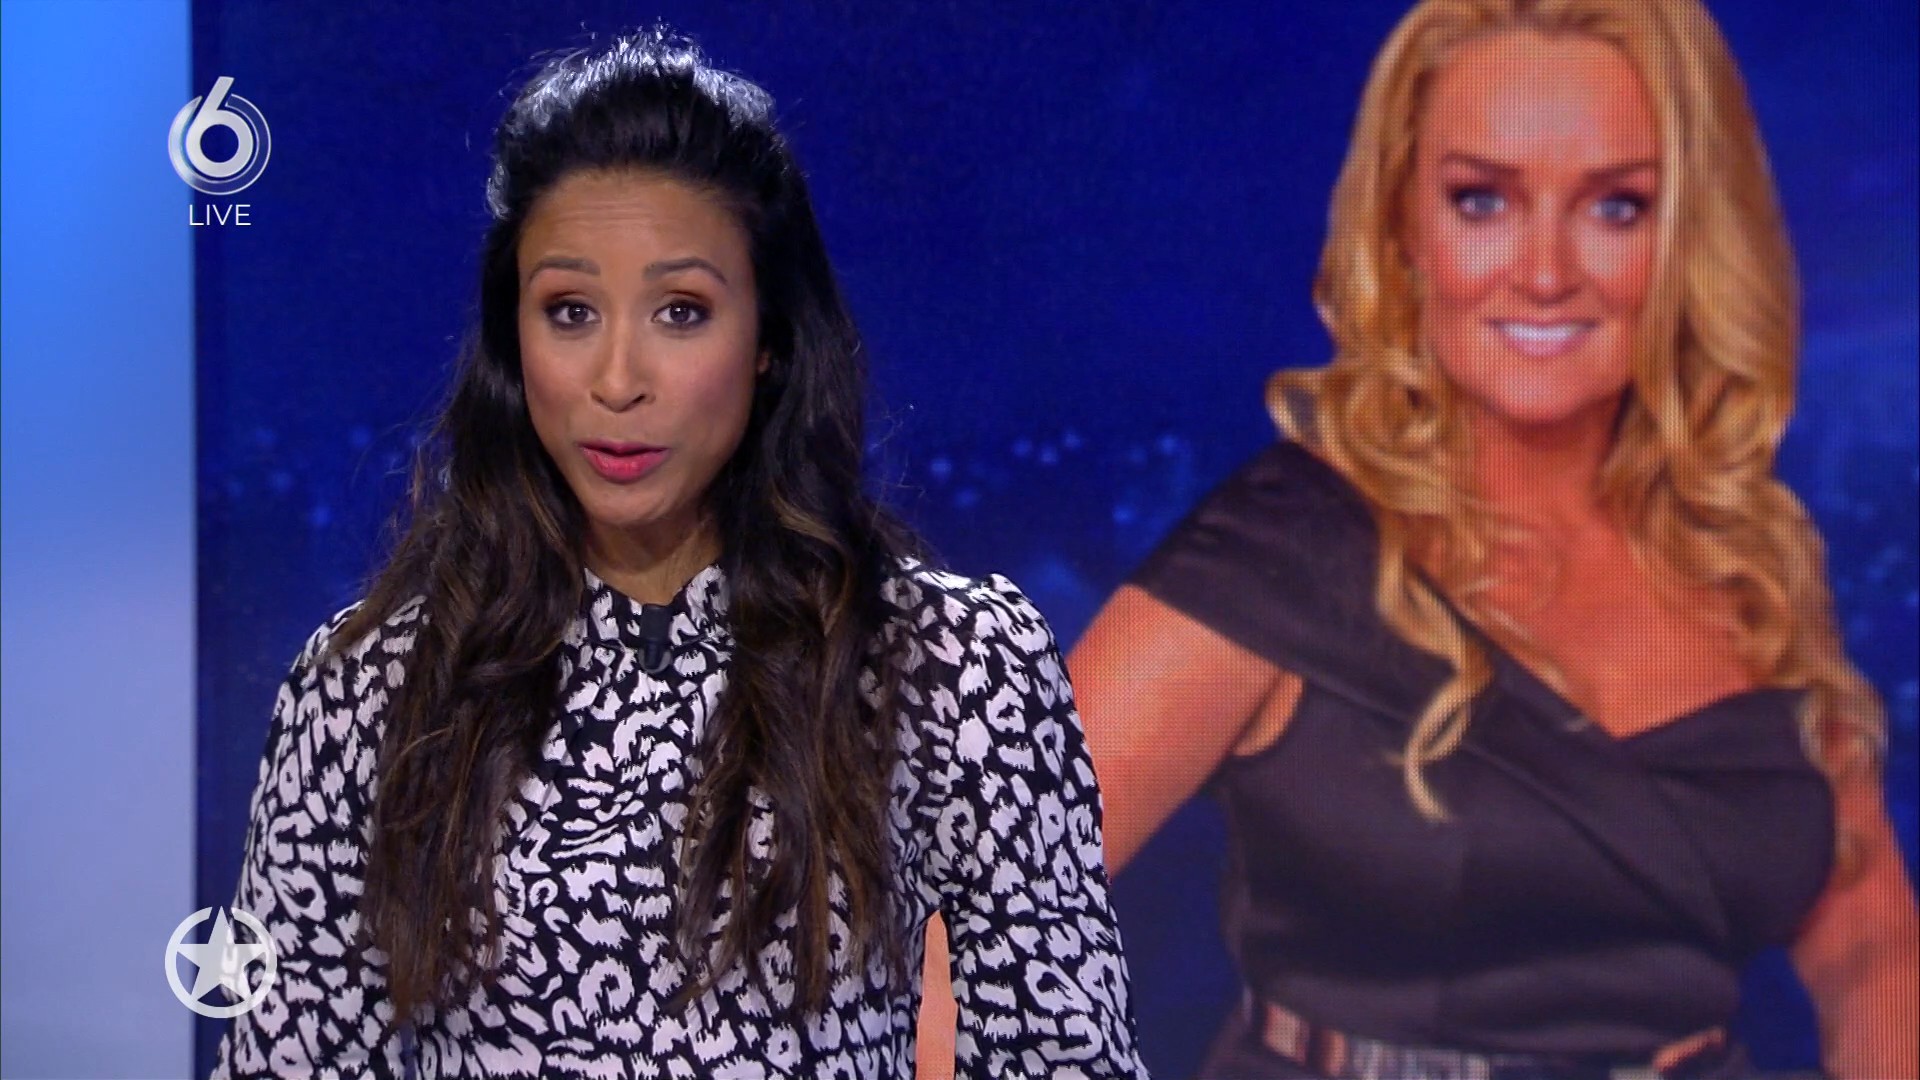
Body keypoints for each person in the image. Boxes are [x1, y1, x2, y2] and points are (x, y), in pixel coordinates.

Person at [925, 0, 1919, 1077]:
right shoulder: (1279, 555)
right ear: (1402, 226)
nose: (1546, 272)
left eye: (1616, 207)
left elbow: (1872, 951)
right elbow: (957, 946)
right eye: (1482, 200)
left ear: (1689, 235)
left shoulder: (1743, 554)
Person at [208, 31, 1143, 1080]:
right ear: (514, 340)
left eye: (680, 312)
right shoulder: (372, 687)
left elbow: (1067, 1060)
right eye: (570, 312)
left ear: (769, 338)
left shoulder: (948, 668)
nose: (618, 379)